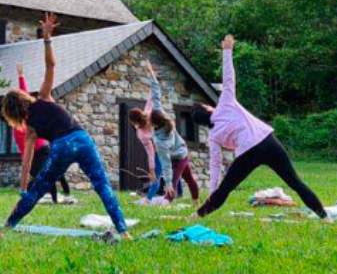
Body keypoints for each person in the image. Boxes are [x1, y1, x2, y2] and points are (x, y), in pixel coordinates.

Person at [1, 13, 129, 237]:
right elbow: (51, 65)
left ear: (12, 114)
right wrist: (47, 39)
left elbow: (26, 162)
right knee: (101, 184)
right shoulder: (44, 97)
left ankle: (10, 224)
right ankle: (123, 230)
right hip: (81, 138)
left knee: (39, 187)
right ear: (24, 98)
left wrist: (23, 189)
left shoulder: (30, 129)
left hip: (61, 147)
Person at [195, 36, 326, 219]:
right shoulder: (225, 103)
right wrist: (227, 51)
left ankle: (197, 215)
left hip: (248, 153)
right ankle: (325, 217)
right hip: (268, 141)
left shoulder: (213, 136)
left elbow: (215, 164)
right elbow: (229, 78)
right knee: (295, 183)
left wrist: (212, 189)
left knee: (225, 189)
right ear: (208, 109)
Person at [142, 60, 199, 202]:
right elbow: (156, 94)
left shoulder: (163, 141)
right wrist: (151, 75)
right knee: (189, 178)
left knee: (173, 182)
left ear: (154, 123)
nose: (147, 121)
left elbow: (166, 163)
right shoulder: (159, 112)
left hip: (179, 156)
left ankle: (166, 205)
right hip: (180, 151)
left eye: (149, 120)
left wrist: (167, 183)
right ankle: (196, 202)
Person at [13, 64, 70, 201]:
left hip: (40, 148)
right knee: (37, 173)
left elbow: (24, 93)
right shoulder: (15, 121)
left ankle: (55, 198)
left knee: (43, 174)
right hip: (32, 152)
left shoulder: (28, 115)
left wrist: (21, 76)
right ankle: (60, 179)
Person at [125, 66, 163, 198]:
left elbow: (150, 152)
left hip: (161, 151)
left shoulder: (141, 133)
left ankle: (148, 200)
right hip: (171, 144)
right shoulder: (149, 111)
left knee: (156, 178)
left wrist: (151, 170)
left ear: (134, 122)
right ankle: (174, 195)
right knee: (176, 170)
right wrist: (152, 74)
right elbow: (154, 93)